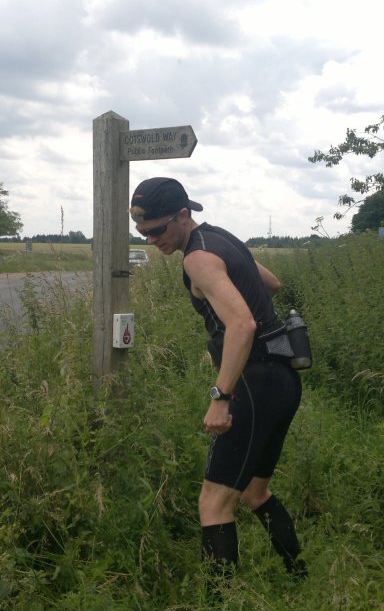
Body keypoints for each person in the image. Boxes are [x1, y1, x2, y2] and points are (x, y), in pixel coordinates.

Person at [129, 177, 307, 586]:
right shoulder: (222, 239)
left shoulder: (197, 258)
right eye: (142, 233)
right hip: (283, 379)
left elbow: (242, 325)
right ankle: (299, 578)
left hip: (253, 384)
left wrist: (221, 396)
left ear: (183, 215)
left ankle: (220, 599)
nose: (152, 240)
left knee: (213, 503)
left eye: (157, 230)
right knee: (254, 493)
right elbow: (272, 283)